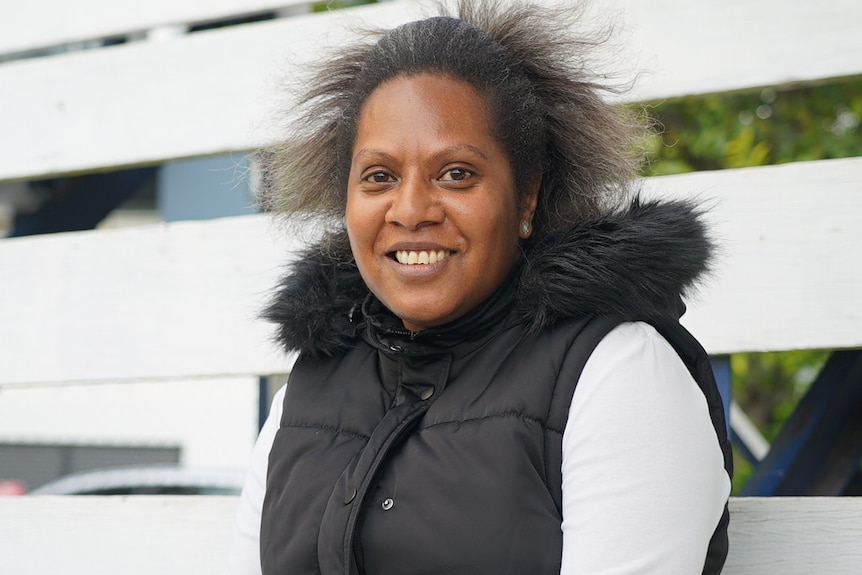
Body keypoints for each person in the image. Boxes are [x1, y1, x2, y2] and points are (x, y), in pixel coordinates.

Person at [226, 1, 732, 573]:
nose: (411, 209)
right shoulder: (309, 390)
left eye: (456, 173)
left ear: (528, 196)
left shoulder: (618, 372)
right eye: (379, 177)